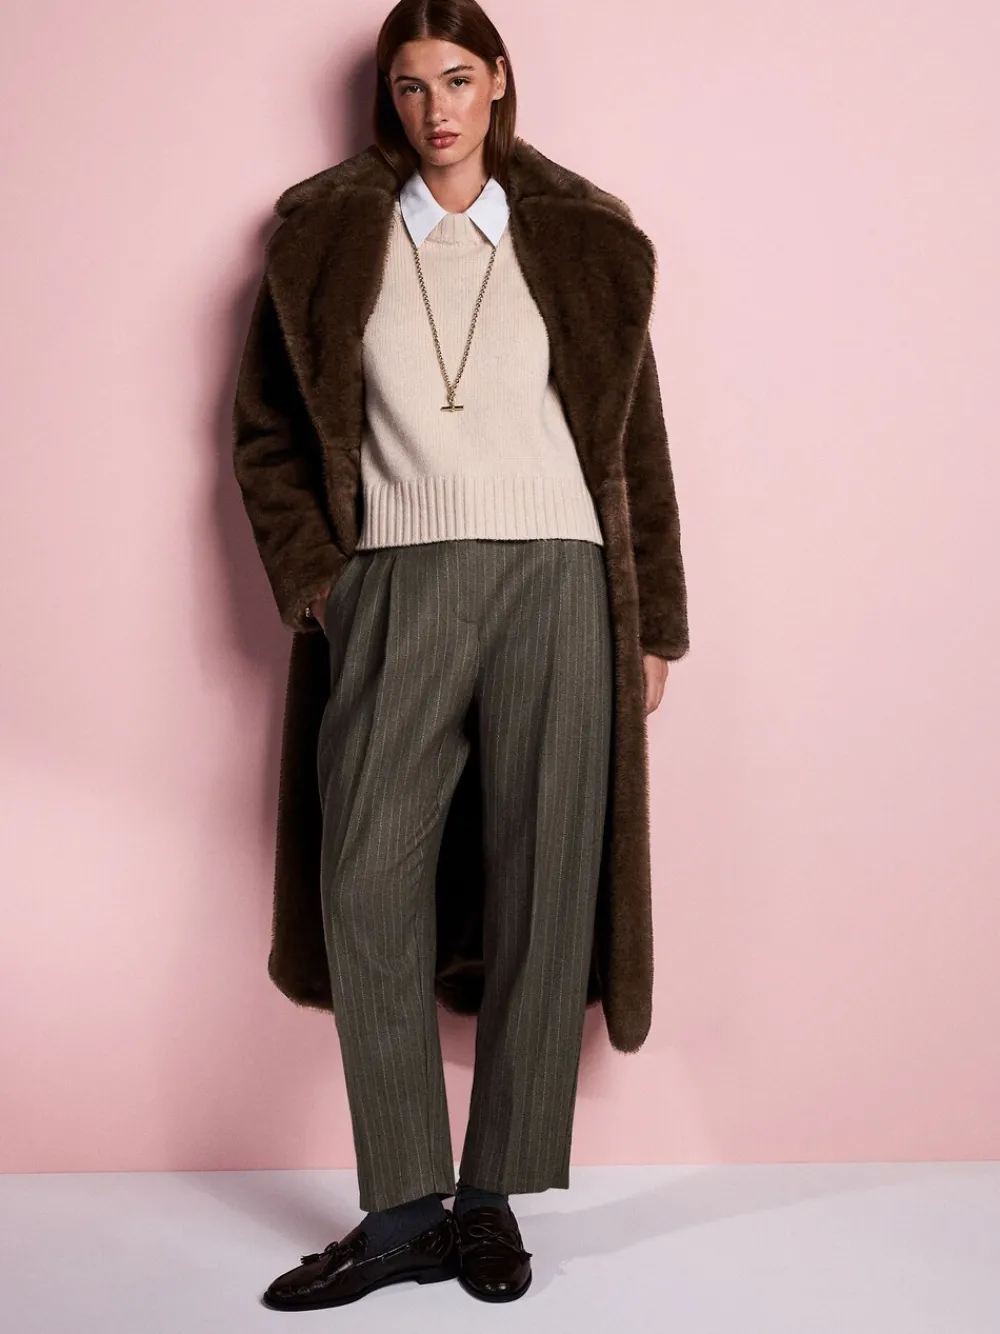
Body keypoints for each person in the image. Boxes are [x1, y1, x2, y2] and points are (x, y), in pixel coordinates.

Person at [231, 0, 689, 1311]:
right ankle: (399, 1212)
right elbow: (267, 435)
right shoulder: (328, 240)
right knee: (367, 873)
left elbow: (634, 439)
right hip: (396, 582)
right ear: (389, 98)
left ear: (497, 82)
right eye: (410, 85)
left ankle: (489, 1202)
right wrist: (323, 584)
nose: (435, 108)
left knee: (548, 881)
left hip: (561, 579)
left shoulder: (583, 239)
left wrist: (653, 618)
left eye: (456, 78)